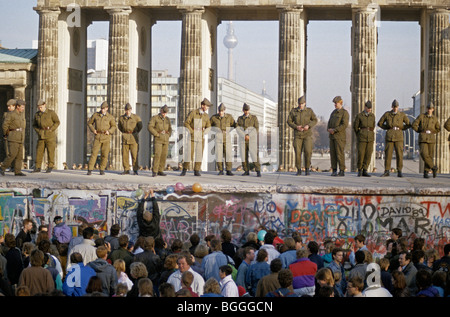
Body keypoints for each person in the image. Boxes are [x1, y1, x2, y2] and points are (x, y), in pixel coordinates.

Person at [377, 99, 411, 177]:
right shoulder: (387, 114)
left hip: (399, 136)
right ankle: (387, 170)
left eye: (396, 107)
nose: (395, 108)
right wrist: (387, 128)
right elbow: (380, 123)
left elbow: (408, 124)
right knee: (388, 154)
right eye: (394, 107)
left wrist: (401, 128)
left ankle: (399, 170)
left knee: (399, 154)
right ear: (392, 107)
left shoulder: (402, 115)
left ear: (398, 107)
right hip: (390, 136)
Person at [287, 95, 318, 175]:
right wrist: (296, 127)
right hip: (298, 135)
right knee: (297, 153)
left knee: (308, 152)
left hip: (307, 134)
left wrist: (309, 125)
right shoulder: (294, 111)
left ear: (305, 103)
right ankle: (299, 169)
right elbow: (289, 121)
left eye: (302, 103)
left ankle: (307, 168)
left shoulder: (309, 111)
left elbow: (315, 120)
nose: (300, 105)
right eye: (299, 104)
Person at [180, 98, 212, 176]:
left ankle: (196, 170)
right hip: (192, 136)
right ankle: (184, 169)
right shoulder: (193, 113)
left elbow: (209, 126)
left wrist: (204, 132)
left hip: (200, 136)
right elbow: (186, 123)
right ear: (202, 105)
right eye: (207, 106)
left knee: (199, 154)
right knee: (189, 154)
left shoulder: (206, 116)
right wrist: (191, 132)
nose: (207, 108)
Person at [87, 101, 117, 175]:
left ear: (107, 108)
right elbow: (89, 123)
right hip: (98, 136)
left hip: (106, 137)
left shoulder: (110, 117)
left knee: (105, 154)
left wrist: (109, 131)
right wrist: (93, 130)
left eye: (104, 108)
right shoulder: (96, 115)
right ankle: (90, 169)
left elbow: (114, 126)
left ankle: (102, 169)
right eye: (101, 108)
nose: (102, 110)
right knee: (94, 153)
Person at [411, 103, 440, 178]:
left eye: (431, 109)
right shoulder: (421, 116)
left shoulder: (435, 118)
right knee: (424, 154)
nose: (429, 110)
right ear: (426, 109)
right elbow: (414, 125)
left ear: (433, 109)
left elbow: (438, 128)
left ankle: (426, 172)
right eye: (428, 108)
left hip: (431, 138)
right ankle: (433, 167)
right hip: (423, 138)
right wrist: (420, 131)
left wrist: (432, 132)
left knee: (430, 155)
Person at [31, 99, 60, 173]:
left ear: (44, 105)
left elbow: (57, 122)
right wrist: (38, 131)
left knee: (50, 151)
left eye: (41, 107)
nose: (40, 108)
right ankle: (37, 167)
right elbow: (34, 125)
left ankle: (50, 166)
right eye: (38, 107)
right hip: (41, 135)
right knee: (39, 151)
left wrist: (51, 129)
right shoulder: (37, 114)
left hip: (50, 135)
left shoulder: (51, 113)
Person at [0, 99, 26, 176]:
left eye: (23, 107)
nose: (23, 109)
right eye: (22, 107)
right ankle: (2, 168)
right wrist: (6, 134)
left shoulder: (21, 115)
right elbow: (5, 125)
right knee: (12, 154)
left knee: (20, 156)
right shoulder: (11, 114)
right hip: (13, 137)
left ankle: (17, 171)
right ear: (17, 107)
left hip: (20, 137)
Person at [210, 103, 236, 175]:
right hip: (218, 138)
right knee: (219, 155)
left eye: (222, 111)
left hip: (226, 138)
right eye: (219, 111)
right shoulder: (214, 118)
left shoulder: (229, 117)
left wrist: (228, 130)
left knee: (228, 154)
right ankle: (220, 170)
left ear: (224, 110)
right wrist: (216, 130)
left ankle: (228, 170)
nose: (220, 112)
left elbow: (234, 125)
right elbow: (209, 126)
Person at [236, 103, 261, 177]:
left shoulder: (253, 118)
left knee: (254, 155)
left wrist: (249, 135)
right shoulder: (240, 118)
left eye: (247, 110)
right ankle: (246, 170)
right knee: (244, 155)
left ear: (249, 110)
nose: (246, 111)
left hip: (251, 140)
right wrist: (244, 135)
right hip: (242, 140)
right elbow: (238, 128)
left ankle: (258, 170)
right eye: (245, 110)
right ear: (243, 110)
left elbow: (256, 128)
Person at [118, 103, 142, 175]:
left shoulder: (136, 117)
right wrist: (125, 132)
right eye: (126, 110)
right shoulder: (121, 118)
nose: (127, 111)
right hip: (125, 137)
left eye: (128, 110)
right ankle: (126, 169)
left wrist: (135, 132)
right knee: (125, 155)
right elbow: (120, 127)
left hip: (133, 137)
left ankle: (135, 169)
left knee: (134, 154)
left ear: (131, 110)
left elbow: (140, 126)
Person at [327, 96, 349, 176]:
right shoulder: (333, 112)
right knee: (333, 154)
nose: (335, 105)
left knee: (340, 154)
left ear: (340, 103)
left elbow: (344, 125)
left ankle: (342, 170)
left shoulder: (344, 113)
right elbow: (329, 123)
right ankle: (334, 170)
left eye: (336, 103)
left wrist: (334, 130)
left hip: (339, 137)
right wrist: (329, 129)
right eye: (334, 103)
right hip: (332, 136)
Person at [353, 101, 376, 177]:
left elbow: (373, 125)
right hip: (362, 136)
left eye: (370, 108)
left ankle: (365, 169)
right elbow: (355, 127)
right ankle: (359, 169)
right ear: (365, 107)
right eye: (368, 108)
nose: (369, 109)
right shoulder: (359, 116)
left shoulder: (372, 116)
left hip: (370, 137)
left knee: (368, 154)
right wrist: (359, 134)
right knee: (361, 154)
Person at [148, 105, 172, 177]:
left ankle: (160, 170)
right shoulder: (155, 118)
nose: (164, 114)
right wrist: (156, 134)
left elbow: (170, 128)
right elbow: (150, 127)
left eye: (165, 112)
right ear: (161, 111)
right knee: (157, 154)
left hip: (165, 138)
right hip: (158, 138)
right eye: (163, 112)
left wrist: (169, 135)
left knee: (164, 155)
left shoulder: (167, 119)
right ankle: (155, 171)